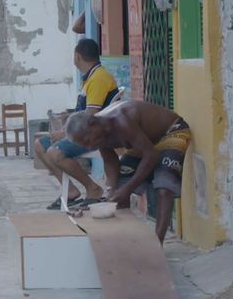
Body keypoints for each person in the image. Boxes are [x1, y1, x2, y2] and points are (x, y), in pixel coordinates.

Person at [65, 101, 192, 243]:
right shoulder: (99, 134)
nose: (90, 146)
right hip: (143, 142)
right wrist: (112, 189)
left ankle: (157, 244)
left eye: (88, 140)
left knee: (164, 186)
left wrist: (128, 188)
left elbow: (151, 155)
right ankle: (125, 239)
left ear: (93, 123)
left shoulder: (121, 120)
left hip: (172, 132)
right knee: (118, 190)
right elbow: (110, 161)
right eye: (85, 145)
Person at [36, 38, 118, 210]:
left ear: (77, 57)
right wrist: (70, 115)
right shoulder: (90, 77)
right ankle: (71, 191)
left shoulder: (99, 78)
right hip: (82, 131)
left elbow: (89, 119)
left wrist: (64, 133)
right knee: (40, 145)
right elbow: (84, 111)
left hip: (94, 136)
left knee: (55, 152)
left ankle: (92, 188)